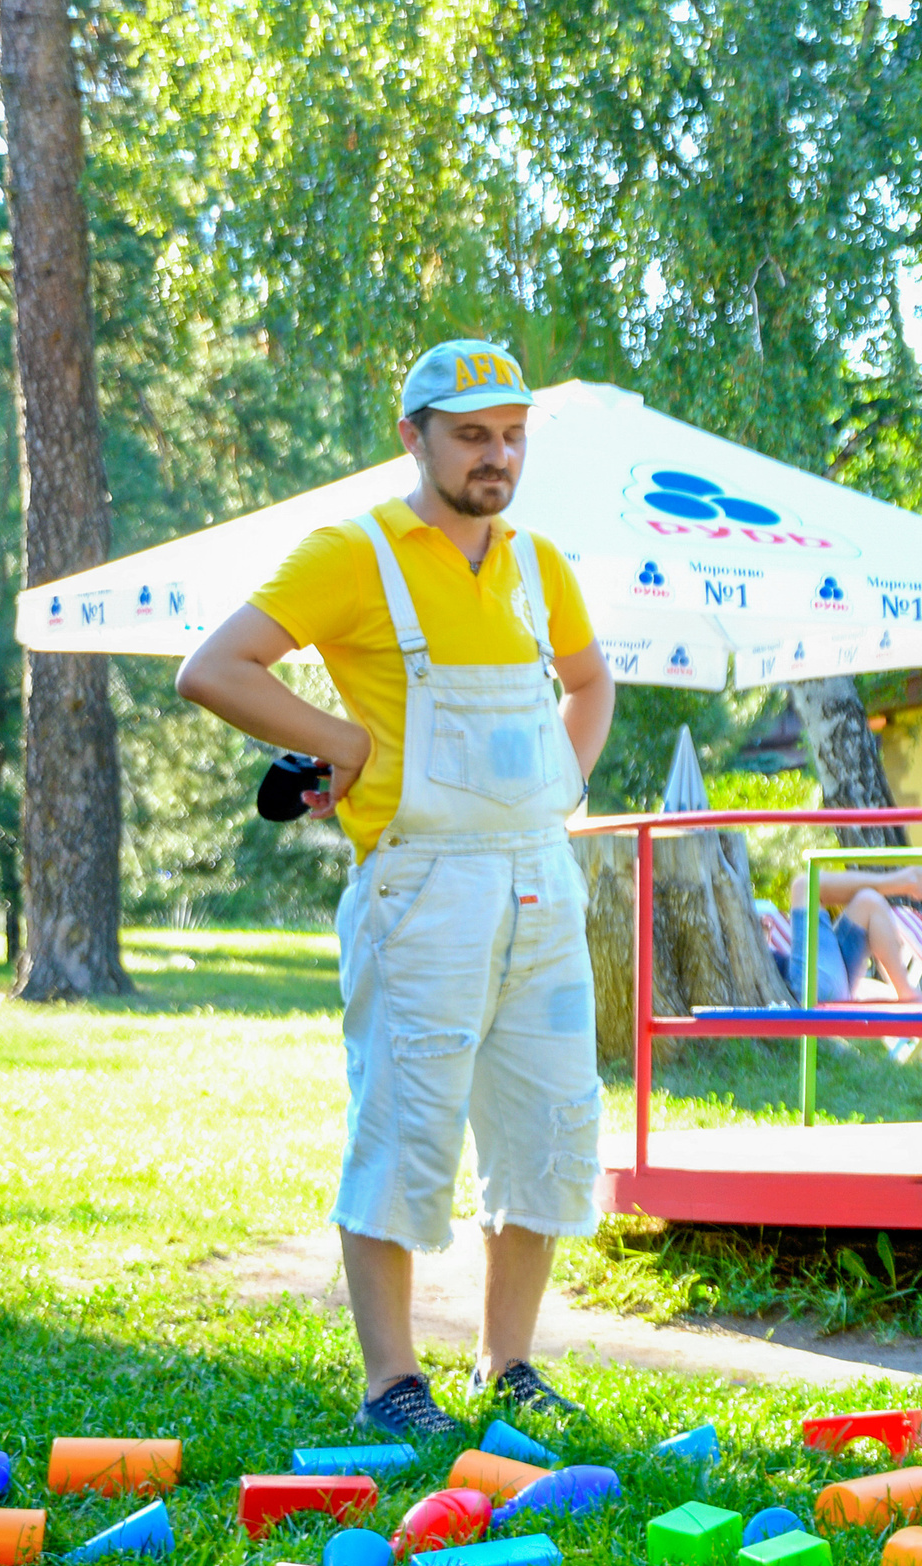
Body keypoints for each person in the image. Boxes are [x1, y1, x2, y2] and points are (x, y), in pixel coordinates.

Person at [174, 340, 616, 1436]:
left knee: (548, 1123)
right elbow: (213, 668)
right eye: (470, 435)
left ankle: (509, 1365)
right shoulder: (352, 552)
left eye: (510, 435)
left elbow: (589, 679)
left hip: (542, 882)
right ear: (412, 436)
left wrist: (562, 783)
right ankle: (391, 1384)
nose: (495, 455)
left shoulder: (538, 564)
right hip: (421, 889)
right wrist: (347, 744)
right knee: (405, 1125)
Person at [787, 864, 922, 1002]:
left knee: (868, 902)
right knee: (804, 886)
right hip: (810, 991)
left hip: (823, 987)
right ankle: (906, 881)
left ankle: (906, 992)